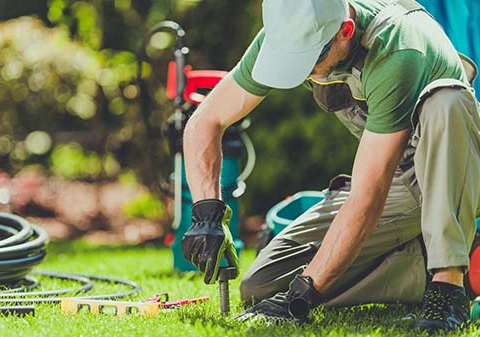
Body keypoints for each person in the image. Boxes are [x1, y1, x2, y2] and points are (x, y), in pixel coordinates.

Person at [180, 0, 480, 333]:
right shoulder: (290, 29)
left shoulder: (397, 48)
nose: (305, 73)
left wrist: (306, 293)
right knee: (262, 286)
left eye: (311, 60)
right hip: (399, 181)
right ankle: (443, 258)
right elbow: (204, 121)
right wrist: (206, 212)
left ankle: (448, 284)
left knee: (447, 101)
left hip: (459, 171)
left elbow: (367, 198)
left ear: (345, 31)